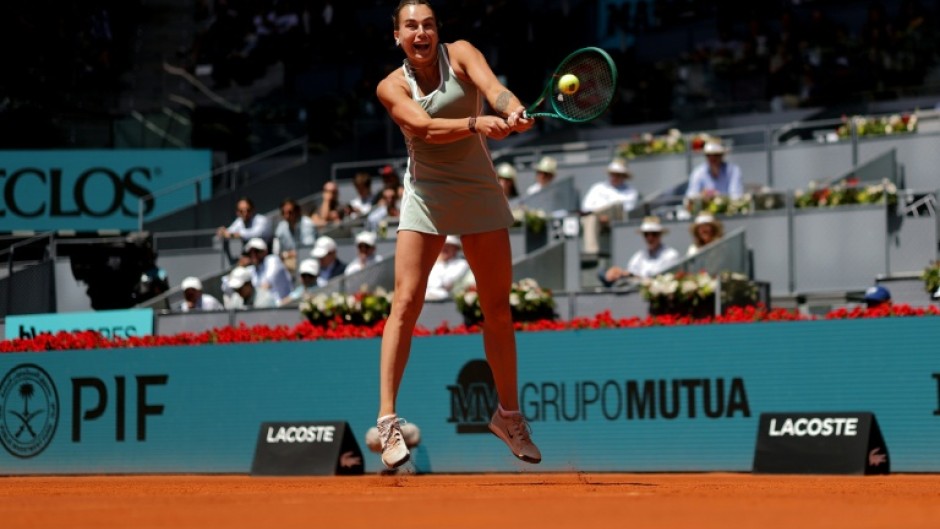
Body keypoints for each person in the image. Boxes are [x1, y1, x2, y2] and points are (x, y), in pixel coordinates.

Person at [373, 0, 540, 470]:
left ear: (436, 30)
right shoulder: (390, 86)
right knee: (405, 303)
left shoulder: (461, 53)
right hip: (426, 194)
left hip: (478, 189)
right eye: (411, 26)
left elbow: (494, 90)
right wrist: (475, 122)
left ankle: (508, 417)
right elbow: (422, 127)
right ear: (398, 36)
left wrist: (512, 109)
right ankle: (387, 422)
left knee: (498, 308)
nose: (421, 32)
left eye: (428, 24)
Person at [580, 157, 640, 255]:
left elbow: (628, 211)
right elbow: (586, 208)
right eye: (613, 174)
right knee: (590, 218)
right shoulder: (597, 188)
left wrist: (609, 217)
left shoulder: (631, 192)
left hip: (617, 220)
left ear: (624, 176)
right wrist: (600, 216)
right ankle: (591, 252)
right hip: (596, 218)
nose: (614, 177)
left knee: (617, 206)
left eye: (618, 175)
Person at [600, 216, 680, 287]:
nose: (650, 238)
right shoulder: (639, 255)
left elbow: (661, 280)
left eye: (654, 234)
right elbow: (631, 272)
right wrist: (620, 273)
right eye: (646, 234)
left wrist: (630, 275)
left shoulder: (670, 255)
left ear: (660, 235)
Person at [272, 197, 316, 273]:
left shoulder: (307, 223)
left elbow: (307, 250)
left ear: (297, 211)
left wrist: (286, 255)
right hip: (288, 263)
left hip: (309, 261)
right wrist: (288, 255)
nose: (287, 216)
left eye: (290, 212)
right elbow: (276, 253)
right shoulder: (281, 227)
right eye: (284, 213)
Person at [425, 235, 473, 301]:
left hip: (450, 302)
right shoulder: (428, 262)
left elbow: (446, 283)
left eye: (449, 246)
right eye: (442, 245)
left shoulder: (462, 264)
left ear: (455, 249)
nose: (444, 248)